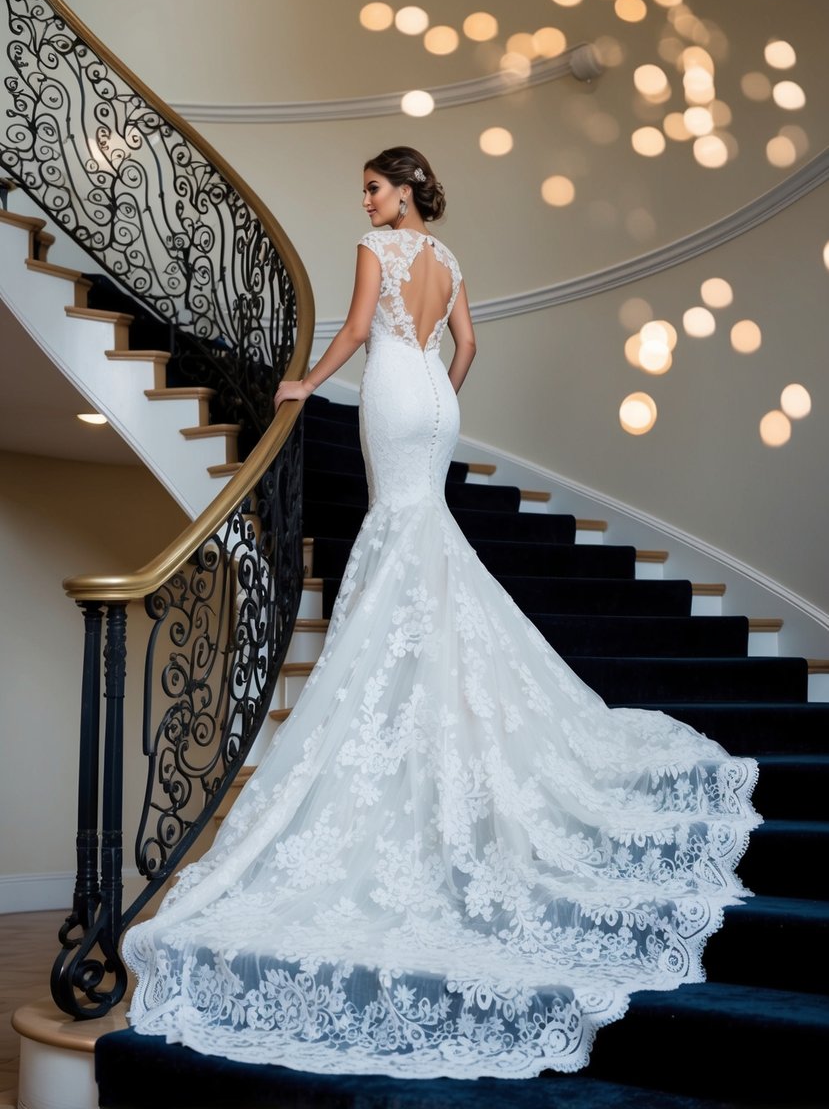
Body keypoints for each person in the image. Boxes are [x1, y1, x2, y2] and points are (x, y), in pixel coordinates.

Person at [122, 146, 760, 1080]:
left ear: (402, 190)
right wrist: (436, 395)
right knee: (422, 526)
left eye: (374, 188)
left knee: (397, 525)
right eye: (367, 193)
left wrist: (306, 383)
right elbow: (468, 346)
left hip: (387, 390)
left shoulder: (375, 245)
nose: (368, 202)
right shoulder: (452, 262)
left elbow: (347, 330)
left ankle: (407, 663)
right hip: (431, 396)